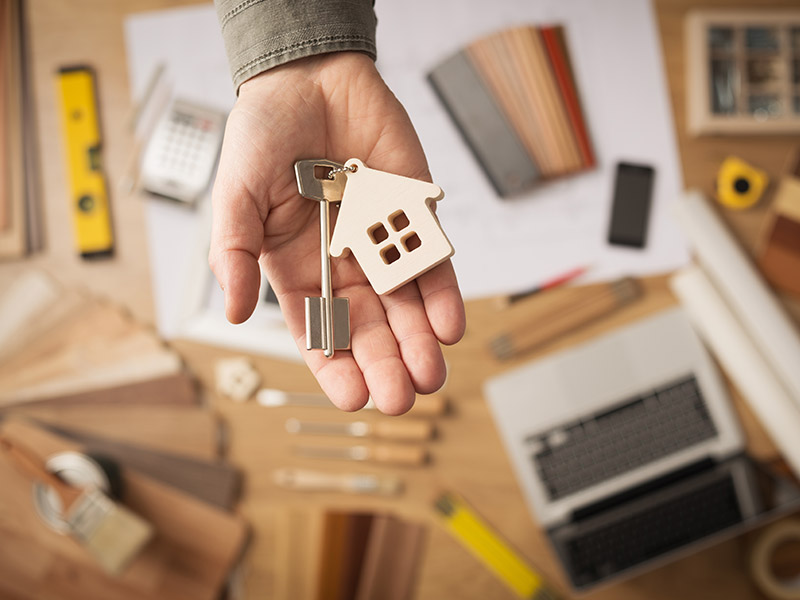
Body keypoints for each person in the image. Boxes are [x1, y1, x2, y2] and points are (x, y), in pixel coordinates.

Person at [210, 1, 466, 415]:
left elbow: (359, 233)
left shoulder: (366, 190)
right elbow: (345, 242)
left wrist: (291, 54)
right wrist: (295, 57)